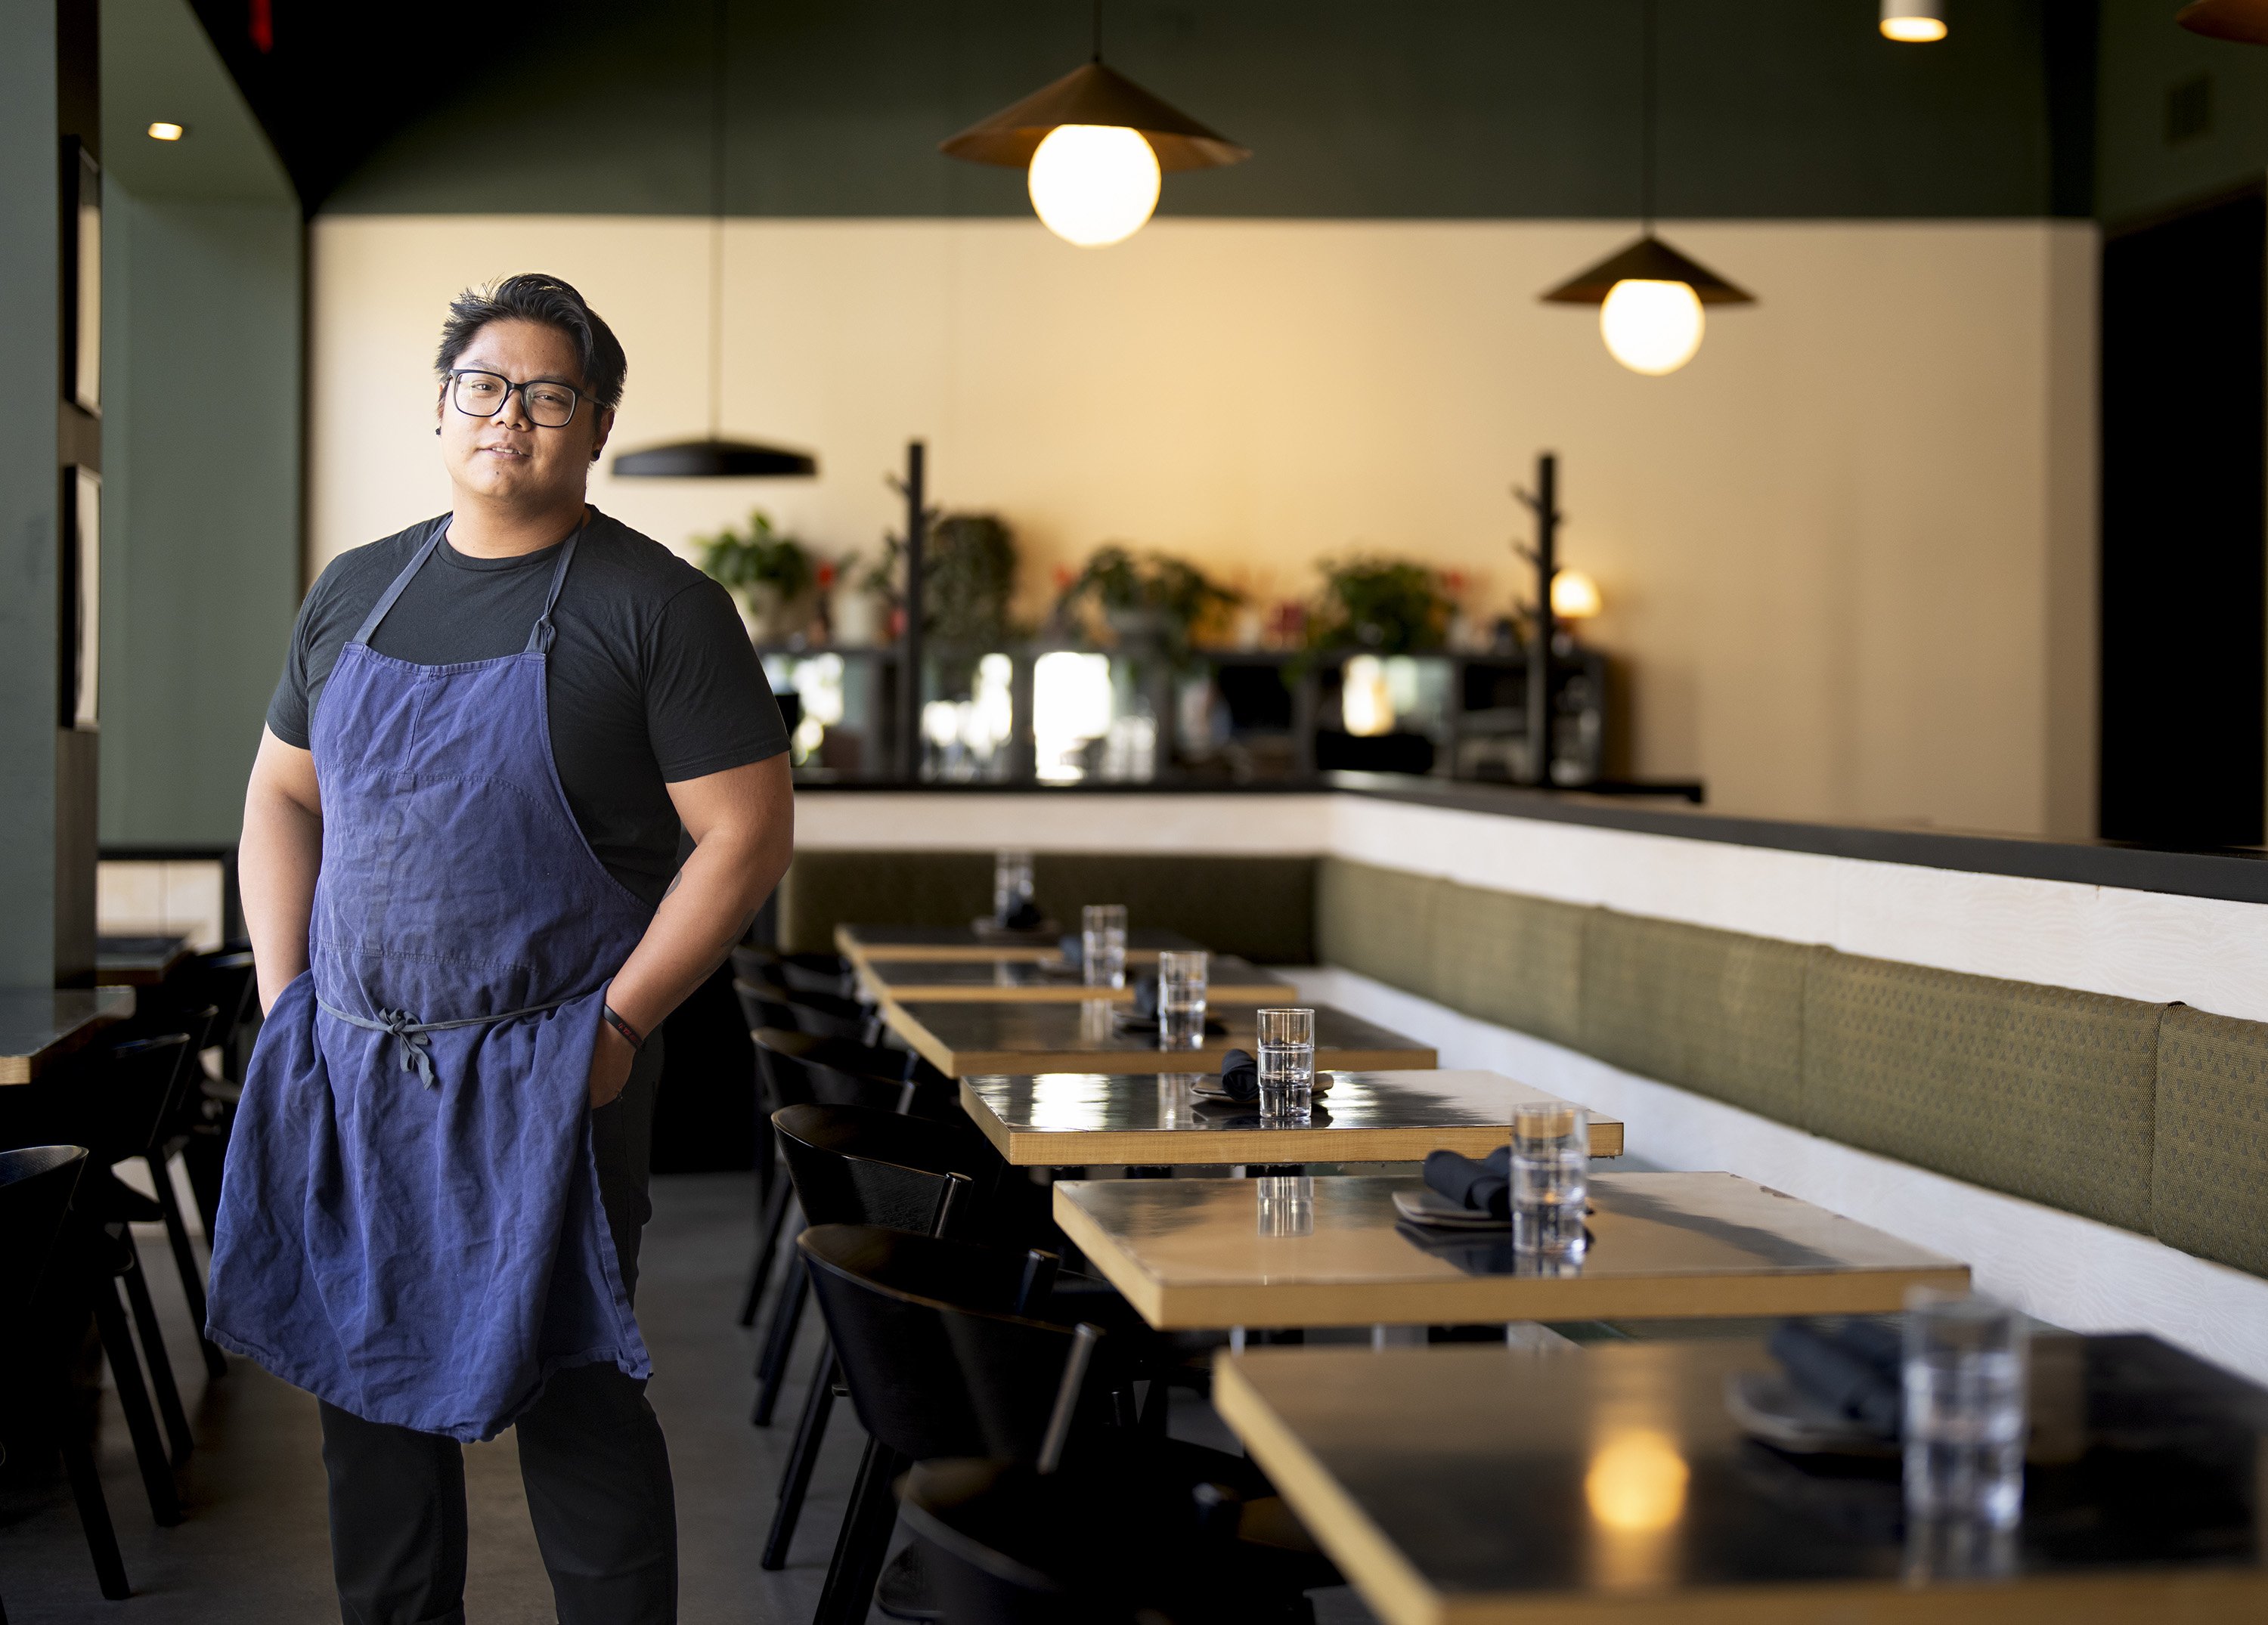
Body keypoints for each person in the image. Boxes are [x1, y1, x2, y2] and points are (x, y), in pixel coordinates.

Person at [208, 272, 794, 1625]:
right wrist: (288, 1003)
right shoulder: (355, 590)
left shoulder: (661, 607)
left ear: (597, 425)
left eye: (548, 395)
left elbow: (749, 836)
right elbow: (281, 796)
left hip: (553, 1072)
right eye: (484, 385)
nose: (509, 415)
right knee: (366, 1399)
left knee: (576, 1396)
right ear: (440, 407)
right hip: (353, 1066)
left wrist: (619, 1028)